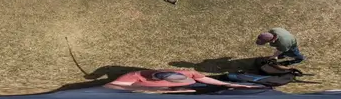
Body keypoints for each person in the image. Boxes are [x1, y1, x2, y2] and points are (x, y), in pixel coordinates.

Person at [105, 69, 263, 93]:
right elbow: (109, 88)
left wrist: (232, 85)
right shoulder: (131, 79)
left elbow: (210, 81)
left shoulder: (187, 73)